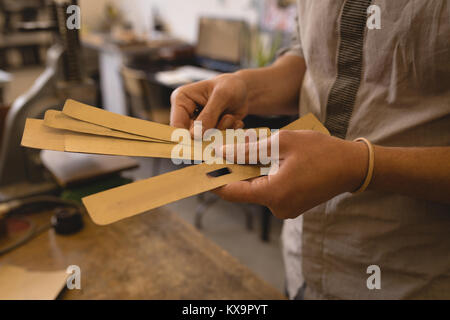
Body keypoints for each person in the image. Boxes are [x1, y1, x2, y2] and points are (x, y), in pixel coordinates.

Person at [170, 0, 450, 299]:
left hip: (412, 279)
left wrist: (360, 166)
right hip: (303, 265)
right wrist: (242, 87)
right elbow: (310, 61)